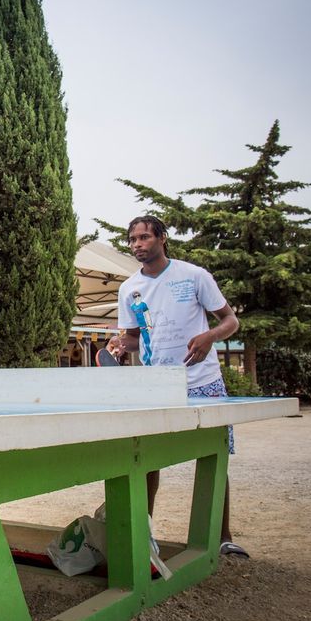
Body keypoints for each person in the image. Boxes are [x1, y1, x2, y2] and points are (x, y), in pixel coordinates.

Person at [109, 215, 247, 558]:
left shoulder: (194, 276)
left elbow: (231, 321)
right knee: (146, 460)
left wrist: (209, 337)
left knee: (212, 459)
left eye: (144, 237)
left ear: (162, 238)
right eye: (132, 240)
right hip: (156, 387)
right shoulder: (128, 289)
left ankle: (222, 536)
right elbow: (134, 339)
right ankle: (144, 537)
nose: (137, 244)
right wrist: (120, 346)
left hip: (203, 382)